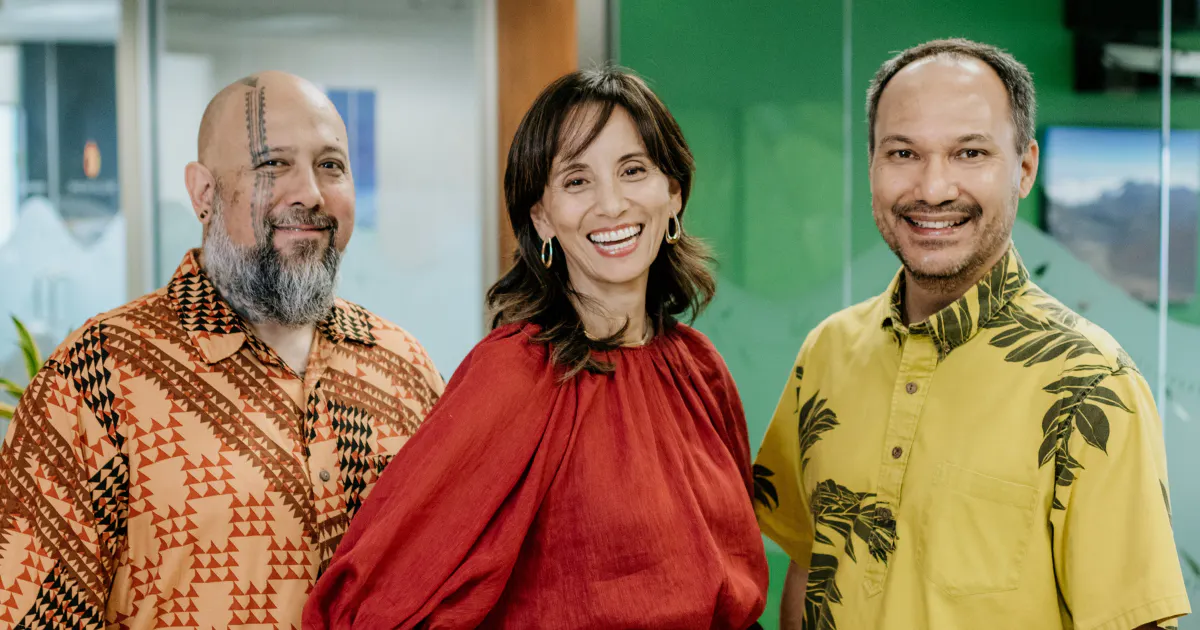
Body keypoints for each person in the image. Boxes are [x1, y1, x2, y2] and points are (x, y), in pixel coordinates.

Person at [304, 67, 769, 629]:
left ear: (672, 194)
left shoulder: (699, 368)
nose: (612, 204)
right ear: (541, 216)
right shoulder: (514, 373)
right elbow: (377, 593)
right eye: (577, 181)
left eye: (633, 170)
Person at [753, 38, 1191, 630]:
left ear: (1024, 168)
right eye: (903, 152)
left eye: (969, 153)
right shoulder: (826, 353)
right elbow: (808, 566)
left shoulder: (1092, 385)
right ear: (873, 164)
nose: (933, 188)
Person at [0, 71, 444, 628]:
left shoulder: (403, 365)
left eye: (330, 165)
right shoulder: (95, 379)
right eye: (273, 164)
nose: (309, 191)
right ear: (203, 193)